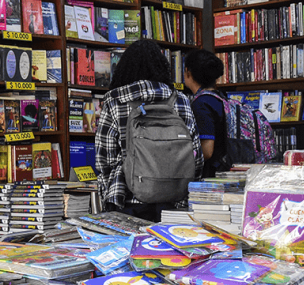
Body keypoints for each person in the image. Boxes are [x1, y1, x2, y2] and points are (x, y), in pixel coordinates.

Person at [94, 39, 203, 220]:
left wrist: (111, 191)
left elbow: (104, 160)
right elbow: (196, 155)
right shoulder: (180, 100)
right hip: (174, 201)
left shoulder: (114, 102)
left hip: (128, 201)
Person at [183, 49, 228, 177]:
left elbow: (207, 151)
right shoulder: (221, 98)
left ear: (188, 72)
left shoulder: (201, 104)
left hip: (212, 177)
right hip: (228, 170)